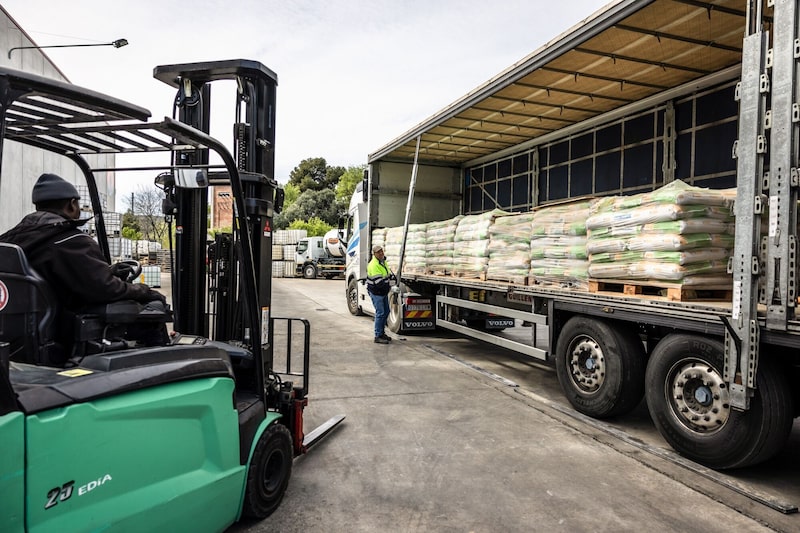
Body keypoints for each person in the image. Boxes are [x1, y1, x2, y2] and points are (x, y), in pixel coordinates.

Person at [0, 173, 166, 356]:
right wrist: (143, 291)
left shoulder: (11, 241)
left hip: (19, 337)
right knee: (155, 305)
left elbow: (58, 276)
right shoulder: (71, 240)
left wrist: (109, 271)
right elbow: (106, 289)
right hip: (64, 334)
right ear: (72, 205)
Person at [366, 244, 395, 344]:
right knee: (381, 313)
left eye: (381, 251)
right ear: (374, 254)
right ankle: (378, 336)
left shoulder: (383, 262)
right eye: (378, 252)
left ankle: (382, 333)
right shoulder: (373, 265)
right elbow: (379, 283)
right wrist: (390, 285)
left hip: (383, 292)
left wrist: (391, 279)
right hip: (376, 292)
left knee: (386, 311)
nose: (381, 253)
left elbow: (387, 275)